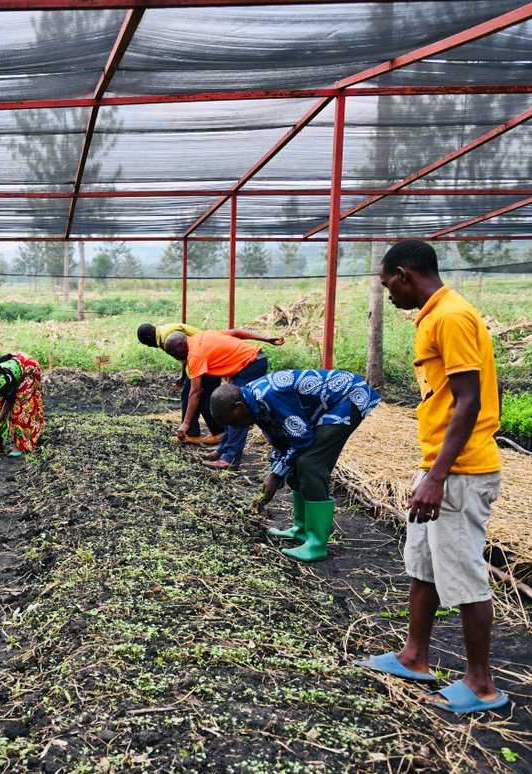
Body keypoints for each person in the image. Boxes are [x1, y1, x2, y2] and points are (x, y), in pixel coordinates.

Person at [357, 239, 506, 714]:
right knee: (423, 565)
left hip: (460, 472)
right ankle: (414, 656)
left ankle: (481, 685)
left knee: (463, 575)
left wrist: (437, 477)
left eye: (388, 286)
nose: (389, 297)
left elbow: (469, 401)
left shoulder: (451, 317)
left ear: (403, 274)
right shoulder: (433, 315)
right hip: (441, 466)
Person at [209, 370, 380, 561]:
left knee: (309, 463)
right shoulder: (255, 405)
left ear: (239, 407)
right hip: (329, 405)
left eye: (232, 422)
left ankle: (316, 544)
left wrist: (275, 475)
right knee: (293, 463)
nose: (236, 427)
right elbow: (281, 442)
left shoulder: (269, 395)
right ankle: (302, 529)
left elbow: (301, 439)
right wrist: (276, 471)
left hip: (346, 397)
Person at [162, 328, 284, 469]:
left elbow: (195, 392)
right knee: (228, 406)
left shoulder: (195, 355)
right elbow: (236, 332)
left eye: (174, 353)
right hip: (250, 362)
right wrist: (265, 338)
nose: (175, 357)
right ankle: (223, 449)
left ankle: (230, 459)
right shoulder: (203, 335)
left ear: (181, 345)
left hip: (250, 364)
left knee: (235, 410)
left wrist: (186, 423)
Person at [136, 322, 223, 445]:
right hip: (199, 363)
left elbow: (187, 349)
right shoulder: (163, 335)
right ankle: (193, 434)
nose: (150, 346)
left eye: (147, 344)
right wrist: (183, 375)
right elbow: (184, 354)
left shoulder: (168, 336)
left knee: (204, 400)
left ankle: (219, 433)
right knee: (188, 396)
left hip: (207, 361)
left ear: (149, 338)